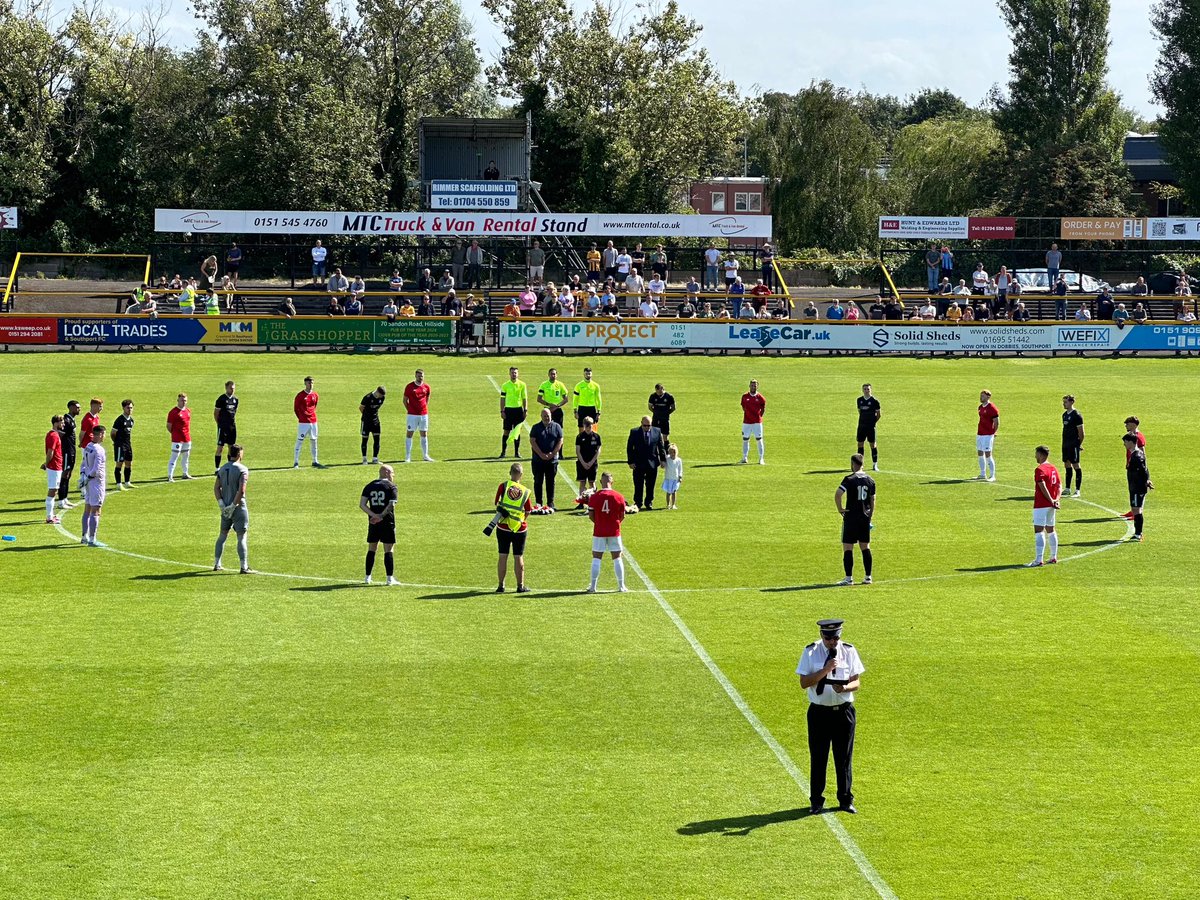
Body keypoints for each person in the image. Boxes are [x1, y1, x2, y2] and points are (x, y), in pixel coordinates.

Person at [796, 618, 865, 814]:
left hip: (843, 712)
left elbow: (856, 682)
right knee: (819, 758)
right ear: (821, 635)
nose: (832, 642)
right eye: (828, 638)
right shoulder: (810, 652)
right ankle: (816, 801)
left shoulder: (849, 651)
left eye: (835, 638)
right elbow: (804, 682)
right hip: (819, 713)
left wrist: (844, 688)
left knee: (844, 758)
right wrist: (825, 670)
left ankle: (845, 800)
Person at [835, 454, 876, 586]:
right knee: (865, 547)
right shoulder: (870, 480)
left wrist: (840, 509)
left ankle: (848, 578)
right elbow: (873, 500)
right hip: (864, 518)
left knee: (848, 547)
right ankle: (868, 577)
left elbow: (838, 494)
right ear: (863, 464)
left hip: (851, 517)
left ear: (853, 464)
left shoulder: (849, 479)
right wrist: (870, 516)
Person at [493, 462, 533, 593]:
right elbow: (528, 510)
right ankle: (520, 586)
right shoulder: (525, 491)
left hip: (503, 526)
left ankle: (501, 586)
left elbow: (496, 503)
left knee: (502, 556)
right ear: (521, 475)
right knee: (518, 556)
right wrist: (520, 520)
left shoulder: (503, 486)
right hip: (519, 528)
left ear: (510, 473)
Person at [213, 443, 252, 574]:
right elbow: (241, 491)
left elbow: (216, 488)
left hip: (225, 508)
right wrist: (233, 506)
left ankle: (217, 564)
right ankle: (244, 566)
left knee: (222, 535)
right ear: (239, 454)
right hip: (239, 508)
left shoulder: (222, 469)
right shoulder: (243, 469)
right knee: (241, 536)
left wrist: (222, 505)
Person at [587, 471, 628, 593]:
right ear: (612, 482)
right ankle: (621, 586)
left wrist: (599, 523)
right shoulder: (619, 496)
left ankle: (593, 587)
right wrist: (614, 524)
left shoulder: (594, 497)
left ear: (601, 482)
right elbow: (622, 516)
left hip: (599, 531)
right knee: (617, 557)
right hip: (614, 531)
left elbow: (591, 515)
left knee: (596, 557)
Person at [360, 464, 400, 585]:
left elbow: (362, 504)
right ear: (387, 473)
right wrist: (381, 516)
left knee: (372, 548)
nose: (393, 475)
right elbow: (391, 504)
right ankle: (389, 578)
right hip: (387, 521)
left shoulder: (369, 486)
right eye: (392, 472)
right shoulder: (391, 486)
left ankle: (367, 577)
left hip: (373, 523)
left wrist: (374, 516)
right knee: (388, 549)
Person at [1027, 445, 1061, 567]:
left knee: (1039, 530)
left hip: (1041, 504)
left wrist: (1051, 500)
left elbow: (1042, 486)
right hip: (1052, 505)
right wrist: (1056, 499)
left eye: (1036, 454)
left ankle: (1038, 559)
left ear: (1041, 455)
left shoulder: (1040, 469)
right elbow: (1059, 485)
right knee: (1051, 529)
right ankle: (1053, 557)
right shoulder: (1053, 468)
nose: (1035, 456)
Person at [626, 415, 667, 510]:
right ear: (641, 424)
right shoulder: (634, 432)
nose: (647, 427)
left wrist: (663, 460)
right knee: (638, 484)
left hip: (652, 463)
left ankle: (649, 502)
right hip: (638, 463)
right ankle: (638, 502)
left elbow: (661, 447)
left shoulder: (657, 431)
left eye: (649, 425)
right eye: (645, 425)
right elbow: (629, 448)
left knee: (650, 485)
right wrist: (630, 462)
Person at [78, 424, 107, 547]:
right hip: (96, 482)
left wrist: (83, 476)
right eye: (104, 434)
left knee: (87, 509)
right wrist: (89, 477)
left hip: (89, 482)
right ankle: (92, 539)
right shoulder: (99, 450)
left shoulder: (88, 446)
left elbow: (83, 464)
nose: (104, 436)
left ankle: (84, 536)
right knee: (96, 510)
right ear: (100, 435)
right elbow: (96, 468)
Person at [529, 408, 564, 511]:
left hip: (552, 461)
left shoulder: (557, 426)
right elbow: (532, 441)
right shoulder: (535, 427)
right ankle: (538, 503)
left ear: (551, 415)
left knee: (550, 481)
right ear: (541, 416)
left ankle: (550, 503)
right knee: (538, 481)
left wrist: (553, 454)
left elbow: (560, 440)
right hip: (538, 460)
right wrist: (541, 454)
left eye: (548, 415)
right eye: (544, 416)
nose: (546, 417)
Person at [1123, 433, 1152, 542]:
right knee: (1135, 509)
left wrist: (1146, 481)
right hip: (1134, 486)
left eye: (1125, 442)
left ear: (1131, 442)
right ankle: (1137, 533)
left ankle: (1138, 534)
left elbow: (1143, 470)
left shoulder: (1137, 456)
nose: (1124, 444)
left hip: (1137, 487)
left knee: (1137, 510)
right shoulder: (1135, 454)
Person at [537, 368, 570, 458]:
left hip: (557, 411)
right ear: (548, 375)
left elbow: (566, 399)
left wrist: (557, 406)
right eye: (551, 374)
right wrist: (549, 404)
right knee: (546, 431)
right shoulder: (544, 385)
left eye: (554, 374)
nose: (553, 375)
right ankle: (546, 450)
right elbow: (539, 399)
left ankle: (560, 453)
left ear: (557, 375)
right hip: (547, 411)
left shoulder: (560, 385)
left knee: (559, 431)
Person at [293, 376, 323, 468]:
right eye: (309, 383)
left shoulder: (315, 395)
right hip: (303, 423)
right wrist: (302, 418)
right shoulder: (300, 396)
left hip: (313, 422)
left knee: (314, 441)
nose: (311, 385)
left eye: (312, 383)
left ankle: (315, 461)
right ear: (305, 383)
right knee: (299, 441)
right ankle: (296, 462)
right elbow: (296, 409)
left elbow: (314, 406)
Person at [403, 370, 433, 463]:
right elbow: (405, 400)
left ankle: (425, 455)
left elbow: (427, 398)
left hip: (424, 414)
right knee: (410, 433)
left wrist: (424, 408)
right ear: (415, 376)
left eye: (422, 376)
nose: (420, 378)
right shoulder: (409, 387)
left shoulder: (426, 387)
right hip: (412, 415)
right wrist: (410, 410)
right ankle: (408, 456)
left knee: (424, 433)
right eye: (419, 376)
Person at [209, 380, 239, 474]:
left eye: (233, 388)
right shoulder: (221, 399)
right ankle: (217, 468)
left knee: (231, 447)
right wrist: (220, 424)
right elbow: (216, 413)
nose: (232, 390)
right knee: (220, 448)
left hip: (232, 426)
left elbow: (234, 412)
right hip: (223, 427)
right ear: (226, 388)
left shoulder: (235, 400)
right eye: (231, 388)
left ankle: (230, 466)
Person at [498, 366, 527, 458]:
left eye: (515, 373)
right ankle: (503, 452)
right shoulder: (505, 385)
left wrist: (525, 410)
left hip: (518, 411)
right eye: (512, 373)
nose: (514, 374)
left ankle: (517, 453)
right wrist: (502, 411)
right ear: (509, 374)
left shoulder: (522, 384)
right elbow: (502, 399)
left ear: (518, 374)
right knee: (506, 431)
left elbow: (524, 398)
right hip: (508, 410)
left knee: (517, 432)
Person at [1121, 416, 1148, 520]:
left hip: (1137, 467)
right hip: (1131, 466)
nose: (1126, 426)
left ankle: (1137, 512)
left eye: (1127, 424)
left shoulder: (1138, 437)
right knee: (1132, 489)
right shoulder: (1130, 436)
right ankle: (1133, 511)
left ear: (1133, 424)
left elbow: (1142, 455)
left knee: (1138, 490)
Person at [57, 400, 80, 511]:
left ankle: (65, 498)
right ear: (71, 408)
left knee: (68, 475)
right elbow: (59, 436)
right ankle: (61, 501)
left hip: (71, 451)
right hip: (66, 451)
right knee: (64, 475)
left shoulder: (71, 420)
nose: (79, 409)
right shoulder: (66, 420)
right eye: (77, 407)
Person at [42, 415, 65, 523]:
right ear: (56, 423)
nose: (63, 424)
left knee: (54, 490)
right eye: (62, 422)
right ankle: (49, 517)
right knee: (53, 490)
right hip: (54, 466)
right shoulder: (54, 436)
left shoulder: (52, 434)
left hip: (56, 466)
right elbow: (50, 452)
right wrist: (46, 464)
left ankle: (51, 515)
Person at [1061, 395, 1084, 498]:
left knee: (1076, 465)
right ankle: (1067, 488)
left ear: (1071, 402)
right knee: (1067, 464)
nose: (1064, 404)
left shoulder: (1077, 415)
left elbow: (1081, 433)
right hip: (1065, 444)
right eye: (1063, 402)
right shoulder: (1064, 415)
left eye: (1065, 402)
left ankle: (1077, 490)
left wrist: (1078, 444)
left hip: (1073, 444)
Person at [166, 393, 193, 481]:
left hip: (187, 438)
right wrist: (174, 433)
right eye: (182, 400)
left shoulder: (188, 411)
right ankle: (170, 476)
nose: (183, 402)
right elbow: (169, 426)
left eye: (185, 400)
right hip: (177, 439)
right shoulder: (173, 412)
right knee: (175, 456)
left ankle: (185, 473)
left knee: (186, 456)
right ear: (178, 401)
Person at [110, 399, 135, 490]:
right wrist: (116, 442)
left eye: (131, 408)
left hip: (128, 445)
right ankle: (118, 484)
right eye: (128, 408)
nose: (130, 409)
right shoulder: (119, 420)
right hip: (120, 445)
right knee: (119, 464)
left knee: (128, 463)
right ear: (123, 408)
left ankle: (127, 482)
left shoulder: (131, 420)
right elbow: (113, 433)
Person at [740, 379, 766, 465]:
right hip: (746, 422)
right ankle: (744, 458)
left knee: (759, 439)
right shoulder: (744, 396)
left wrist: (758, 417)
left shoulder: (760, 398)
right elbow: (743, 407)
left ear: (757, 386)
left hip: (757, 423)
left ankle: (761, 458)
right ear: (749, 386)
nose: (753, 387)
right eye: (752, 385)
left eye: (755, 386)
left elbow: (763, 409)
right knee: (745, 439)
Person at [856, 384, 881, 471]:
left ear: (871, 390)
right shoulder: (859, 400)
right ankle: (860, 465)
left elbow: (879, 415)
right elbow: (860, 411)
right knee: (860, 444)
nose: (866, 391)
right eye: (865, 389)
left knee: (873, 445)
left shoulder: (875, 401)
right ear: (862, 390)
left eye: (868, 389)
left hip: (870, 427)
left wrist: (872, 422)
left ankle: (875, 464)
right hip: (861, 426)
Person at [975, 390, 999, 481]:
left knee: (988, 454)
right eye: (981, 395)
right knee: (980, 453)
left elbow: (996, 422)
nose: (981, 397)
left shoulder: (992, 408)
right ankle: (982, 474)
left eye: (983, 396)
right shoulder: (980, 407)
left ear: (988, 397)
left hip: (988, 435)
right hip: (980, 433)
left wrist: (994, 432)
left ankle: (992, 476)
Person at [359, 385, 386, 465]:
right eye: (380, 395)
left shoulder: (382, 398)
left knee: (377, 440)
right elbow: (361, 408)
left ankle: (375, 458)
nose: (381, 397)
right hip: (366, 422)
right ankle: (364, 459)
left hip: (375, 421)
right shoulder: (367, 397)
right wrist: (366, 415)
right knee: (365, 440)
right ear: (377, 392)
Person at [575, 416, 602, 497]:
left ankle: (593, 500)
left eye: (590, 426)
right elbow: (578, 451)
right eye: (586, 426)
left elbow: (598, 450)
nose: (588, 428)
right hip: (582, 463)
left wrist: (591, 462)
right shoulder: (579, 437)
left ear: (592, 425)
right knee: (582, 482)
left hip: (592, 463)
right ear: (583, 425)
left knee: (592, 482)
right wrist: (583, 463)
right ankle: (581, 500)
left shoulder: (596, 437)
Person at [572, 367, 602, 433]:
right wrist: (575, 411)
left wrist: (599, 412)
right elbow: (575, 399)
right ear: (583, 374)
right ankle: (582, 440)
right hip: (582, 408)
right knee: (581, 427)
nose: (588, 375)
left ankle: (594, 439)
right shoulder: (578, 385)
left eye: (589, 373)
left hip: (592, 408)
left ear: (592, 374)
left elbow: (598, 399)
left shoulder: (596, 386)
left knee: (593, 428)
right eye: (586, 374)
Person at [662, 443, 683, 510]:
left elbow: (680, 469)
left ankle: (673, 505)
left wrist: (680, 477)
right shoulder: (667, 459)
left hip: (675, 478)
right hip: (668, 478)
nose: (672, 454)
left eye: (673, 452)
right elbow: (663, 465)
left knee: (674, 491)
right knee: (668, 492)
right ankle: (668, 504)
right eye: (670, 452)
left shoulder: (678, 460)